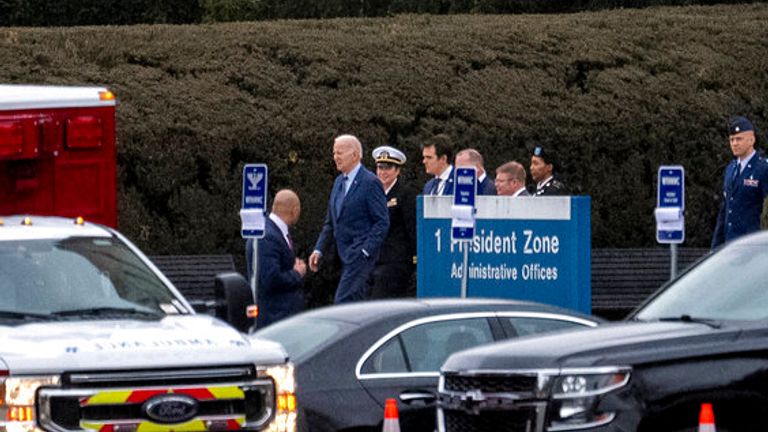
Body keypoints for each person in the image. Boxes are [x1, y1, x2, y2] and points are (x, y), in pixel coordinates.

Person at [309, 135, 389, 303]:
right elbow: (331, 222)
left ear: (354, 155)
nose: (335, 157)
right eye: (334, 153)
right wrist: (319, 249)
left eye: (339, 153)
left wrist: (366, 250)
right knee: (357, 305)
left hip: (359, 256)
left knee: (343, 301)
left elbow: (382, 222)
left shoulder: (370, 182)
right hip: (342, 256)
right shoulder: (338, 182)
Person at [246, 189, 306, 328]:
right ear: (295, 210)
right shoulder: (268, 237)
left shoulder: (271, 232)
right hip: (275, 319)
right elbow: (271, 279)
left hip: (281, 317)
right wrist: (297, 273)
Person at [368, 145, 417, 299]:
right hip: (374, 260)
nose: (383, 172)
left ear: (397, 170)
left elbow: (412, 229)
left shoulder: (405, 194)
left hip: (395, 263)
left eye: (388, 168)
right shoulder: (373, 193)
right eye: (380, 168)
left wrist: (415, 261)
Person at [711, 116, 768, 248]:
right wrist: (715, 248)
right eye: (731, 140)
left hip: (754, 246)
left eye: (739, 139)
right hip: (730, 247)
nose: (735, 143)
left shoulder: (763, 169)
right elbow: (725, 212)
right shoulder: (730, 169)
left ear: (752, 140)